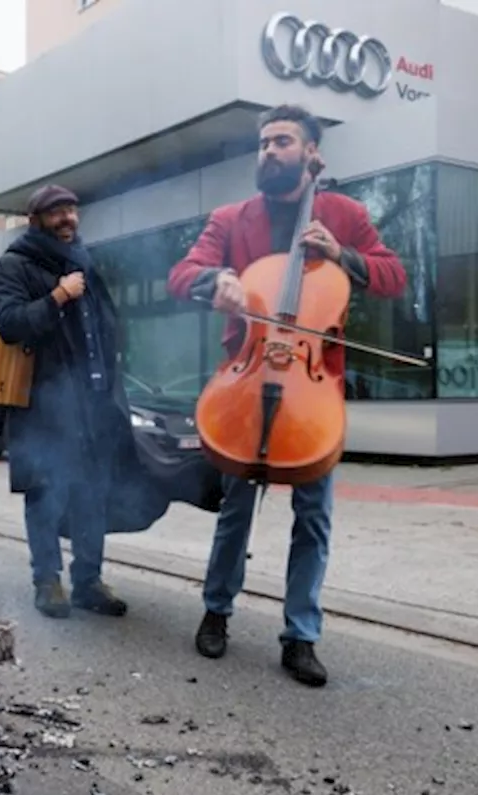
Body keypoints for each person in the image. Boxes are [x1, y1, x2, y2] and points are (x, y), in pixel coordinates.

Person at [167, 104, 407, 687]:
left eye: (282, 142)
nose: (268, 151)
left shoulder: (343, 214)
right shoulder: (232, 217)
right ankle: (216, 611)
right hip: (247, 379)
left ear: (310, 153)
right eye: (264, 142)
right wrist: (213, 280)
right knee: (235, 511)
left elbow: (393, 275)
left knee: (314, 517)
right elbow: (184, 272)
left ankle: (300, 635)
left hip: (310, 386)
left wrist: (343, 257)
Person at [0, 184, 131, 619]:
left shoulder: (84, 262)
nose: (68, 218)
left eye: (72, 210)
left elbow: (106, 324)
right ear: (36, 220)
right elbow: (10, 323)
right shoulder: (16, 264)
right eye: (57, 212)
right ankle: (47, 581)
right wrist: (58, 297)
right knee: (46, 494)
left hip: (92, 402)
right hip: (43, 407)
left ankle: (88, 582)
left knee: (93, 495)